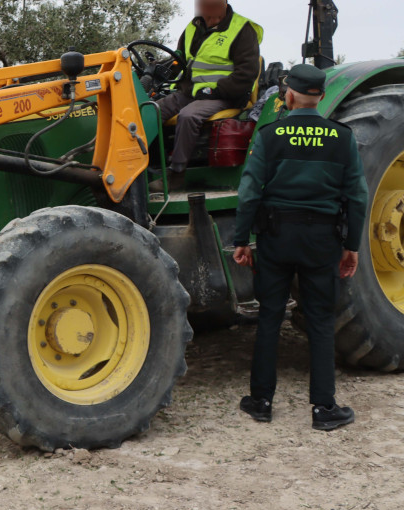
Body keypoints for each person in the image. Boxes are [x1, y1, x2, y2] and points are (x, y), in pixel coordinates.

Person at [231, 64, 369, 431]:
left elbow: (249, 193)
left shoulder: (270, 134)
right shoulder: (342, 137)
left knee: (270, 316)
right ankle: (324, 409)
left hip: (276, 237)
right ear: (322, 97)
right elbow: (357, 195)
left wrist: (242, 240)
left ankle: (260, 401)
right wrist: (351, 246)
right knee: (322, 319)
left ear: (287, 95)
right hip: (323, 240)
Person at [152, 0, 262, 191]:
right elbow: (178, 60)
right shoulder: (192, 28)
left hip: (226, 96)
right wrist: (154, 71)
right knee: (149, 111)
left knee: (188, 115)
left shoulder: (242, 30)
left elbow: (246, 75)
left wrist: (214, 90)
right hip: (190, 92)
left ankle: (176, 174)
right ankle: (144, 167)